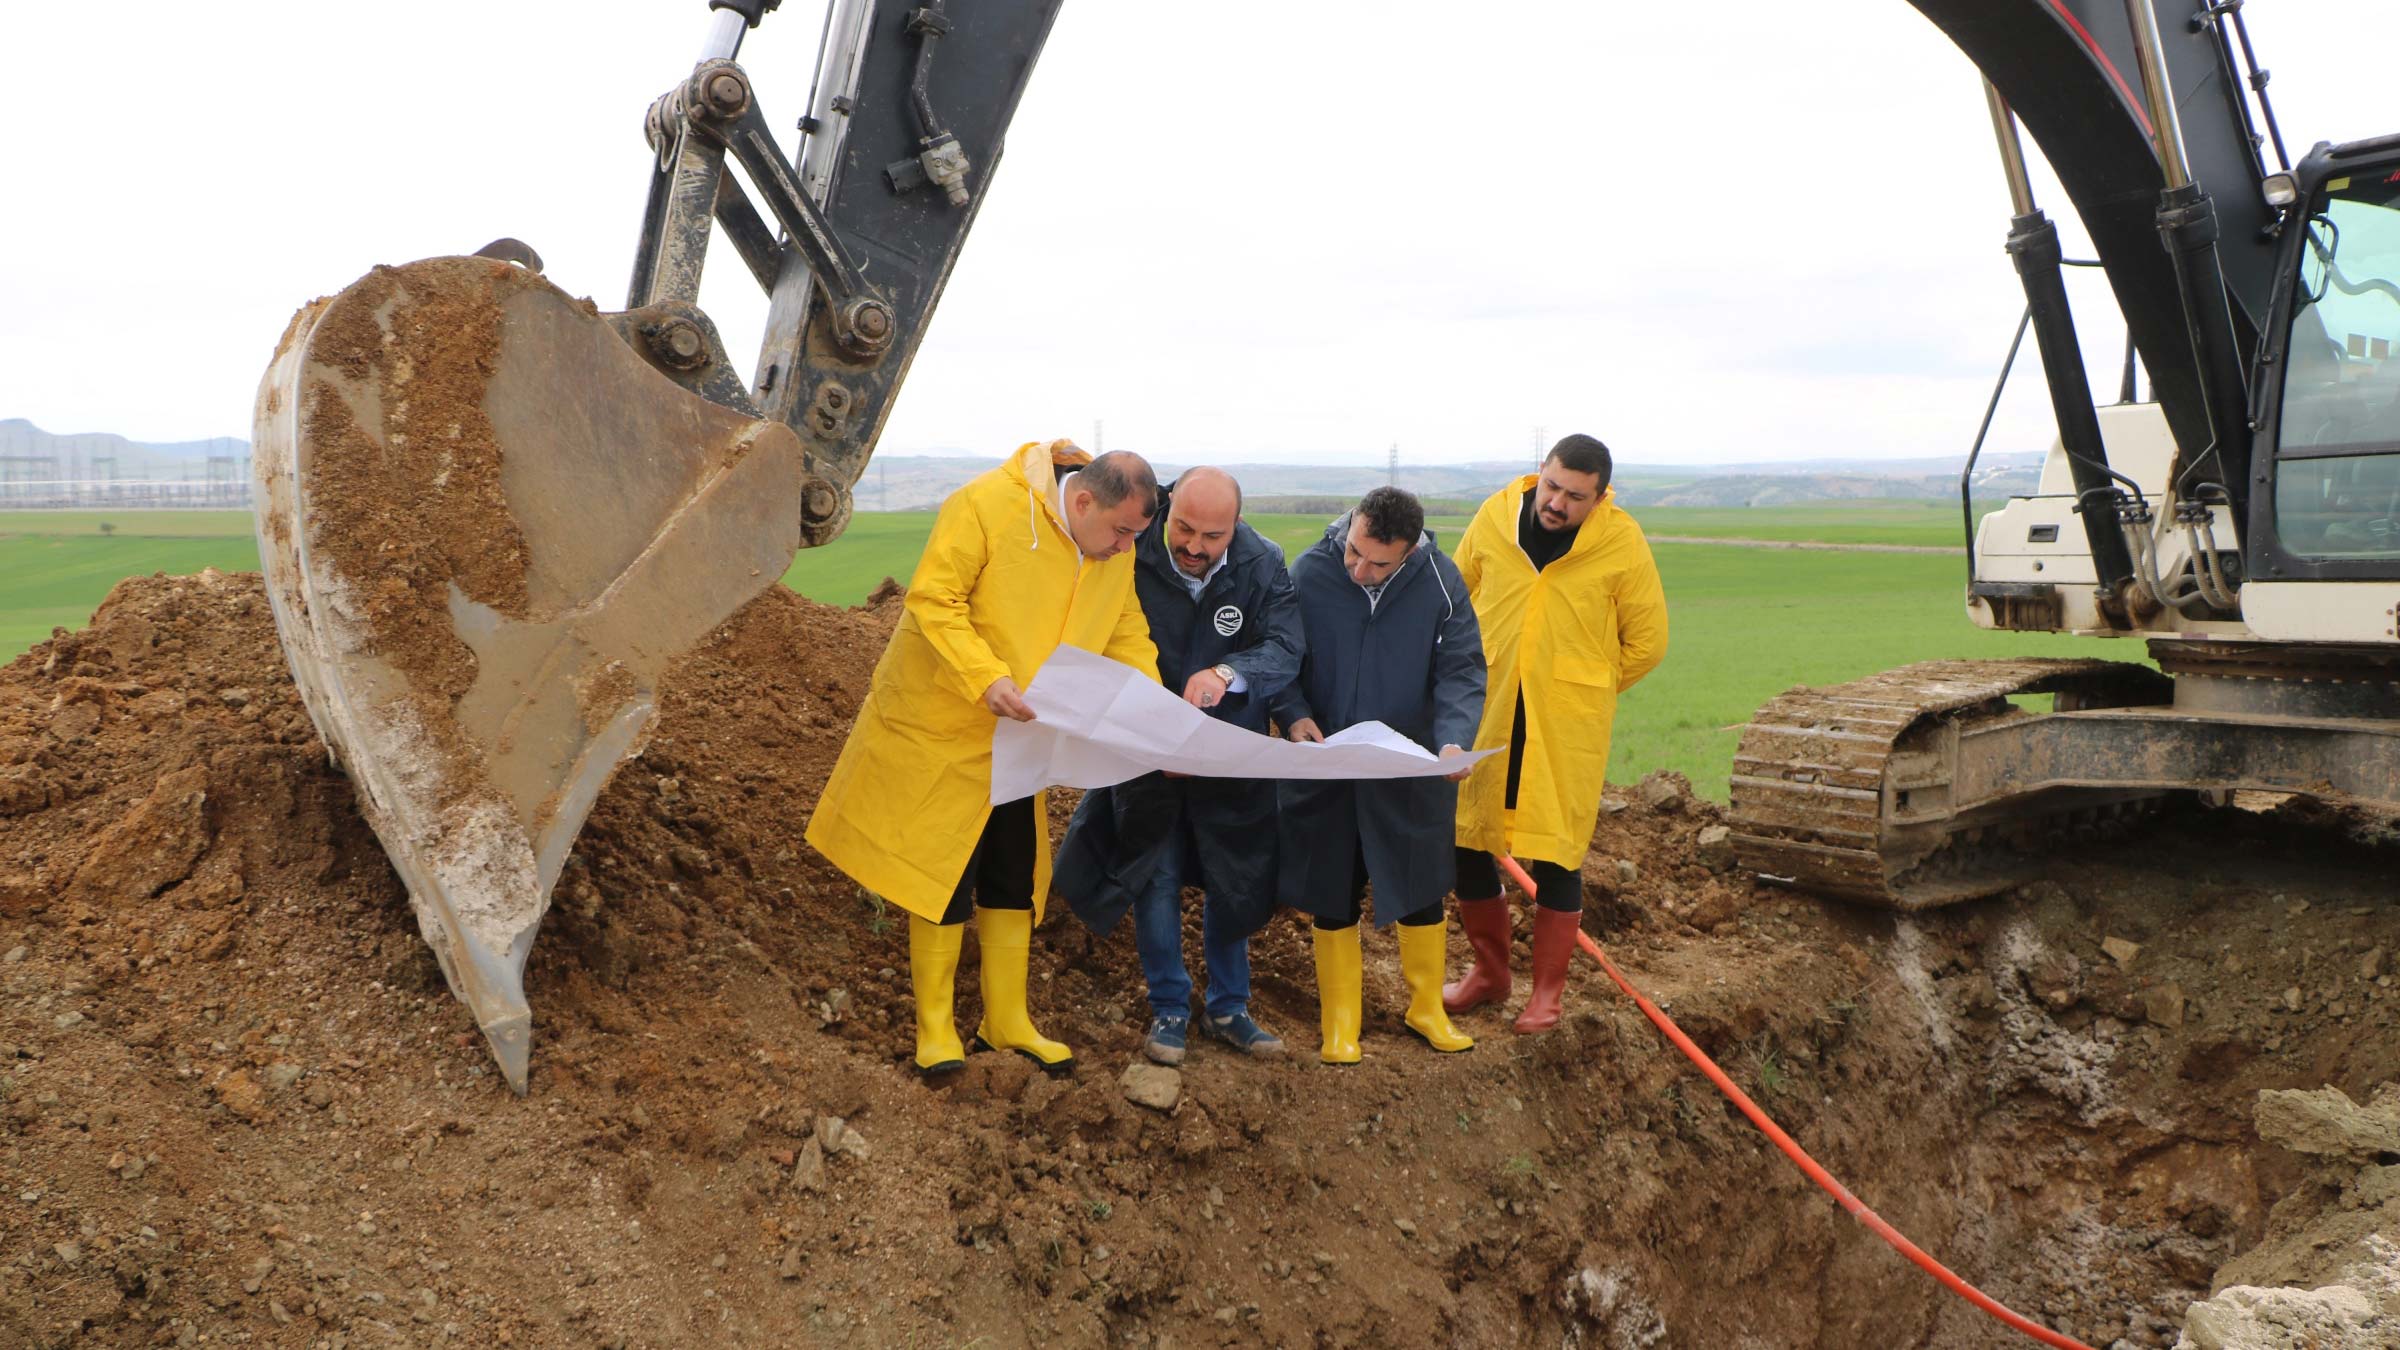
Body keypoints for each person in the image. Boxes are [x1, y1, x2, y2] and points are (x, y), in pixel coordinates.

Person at [806, 441, 1161, 1079]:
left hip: (1022, 741)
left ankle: (1006, 1021)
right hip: (945, 725)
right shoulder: (984, 507)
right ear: (1082, 500)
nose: (1126, 547)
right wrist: (986, 677)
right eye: (1122, 531)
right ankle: (935, 1029)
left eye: (1136, 534)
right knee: (941, 872)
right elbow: (935, 600)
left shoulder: (1111, 549)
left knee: (1013, 872)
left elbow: (1126, 629)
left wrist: (1154, 705)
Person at [1052, 467, 1305, 1065]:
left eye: (1211, 537)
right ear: (1166, 510)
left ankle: (1229, 1007)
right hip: (1144, 747)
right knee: (1154, 875)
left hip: (1229, 751)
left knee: (1232, 876)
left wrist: (1225, 674)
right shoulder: (1129, 550)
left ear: (1235, 527)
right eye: (1183, 529)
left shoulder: (1264, 564)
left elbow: (1286, 646)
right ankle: (1169, 1007)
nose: (1193, 547)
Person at [1444, 434, 1667, 1032]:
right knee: (1468, 840)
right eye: (1552, 487)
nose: (1557, 503)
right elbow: (1453, 595)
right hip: (1487, 710)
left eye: (1574, 496)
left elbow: (1647, 642)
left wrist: (1579, 690)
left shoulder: (1620, 541)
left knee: (1557, 856)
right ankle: (1489, 976)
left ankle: (1547, 994)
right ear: (1538, 473)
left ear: (1599, 498)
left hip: (1563, 729)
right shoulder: (1495, 515)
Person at [1271, 486, 1485, 1064]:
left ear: (1410, 551)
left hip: (1409, 767)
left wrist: (1453, 740)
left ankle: (1426, 1009)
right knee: (1332, 890)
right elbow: (1281, 655)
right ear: (1351, 526)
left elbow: (1461, 668)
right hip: (1329, 765)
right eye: (1354, 552)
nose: (1359, 568)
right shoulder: (1311, 571)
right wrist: (1293, 716)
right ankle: (1340, 1025)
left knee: (1419, 886)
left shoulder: (1440, 581)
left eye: (1377, 562)